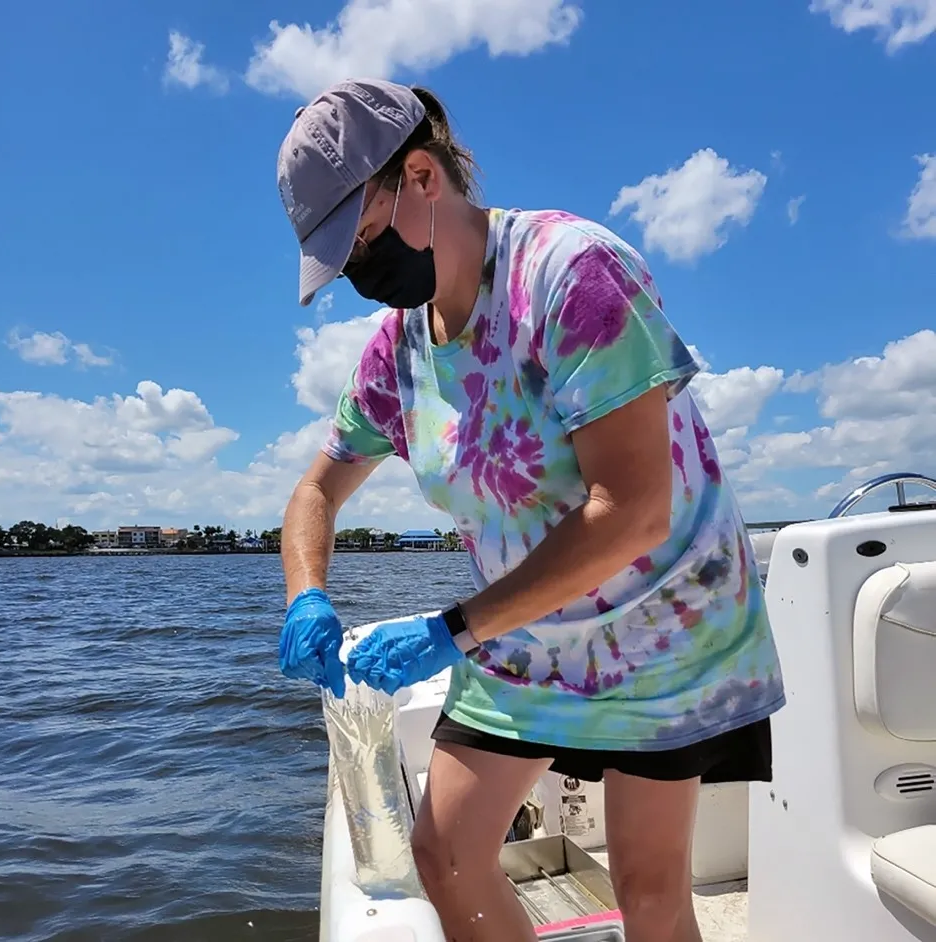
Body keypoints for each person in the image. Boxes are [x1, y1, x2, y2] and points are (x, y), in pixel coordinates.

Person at [275, 78, 785, 942]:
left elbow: (632, 511)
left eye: (362, 241)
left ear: (425, 179)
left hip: (662, 626)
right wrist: (305, 593)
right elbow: (316, 490)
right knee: (444, 854)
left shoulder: (570, 272)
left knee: (651, 892)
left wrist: (451, 631)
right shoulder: (396, 354)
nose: (361, 277)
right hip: (516, 631)